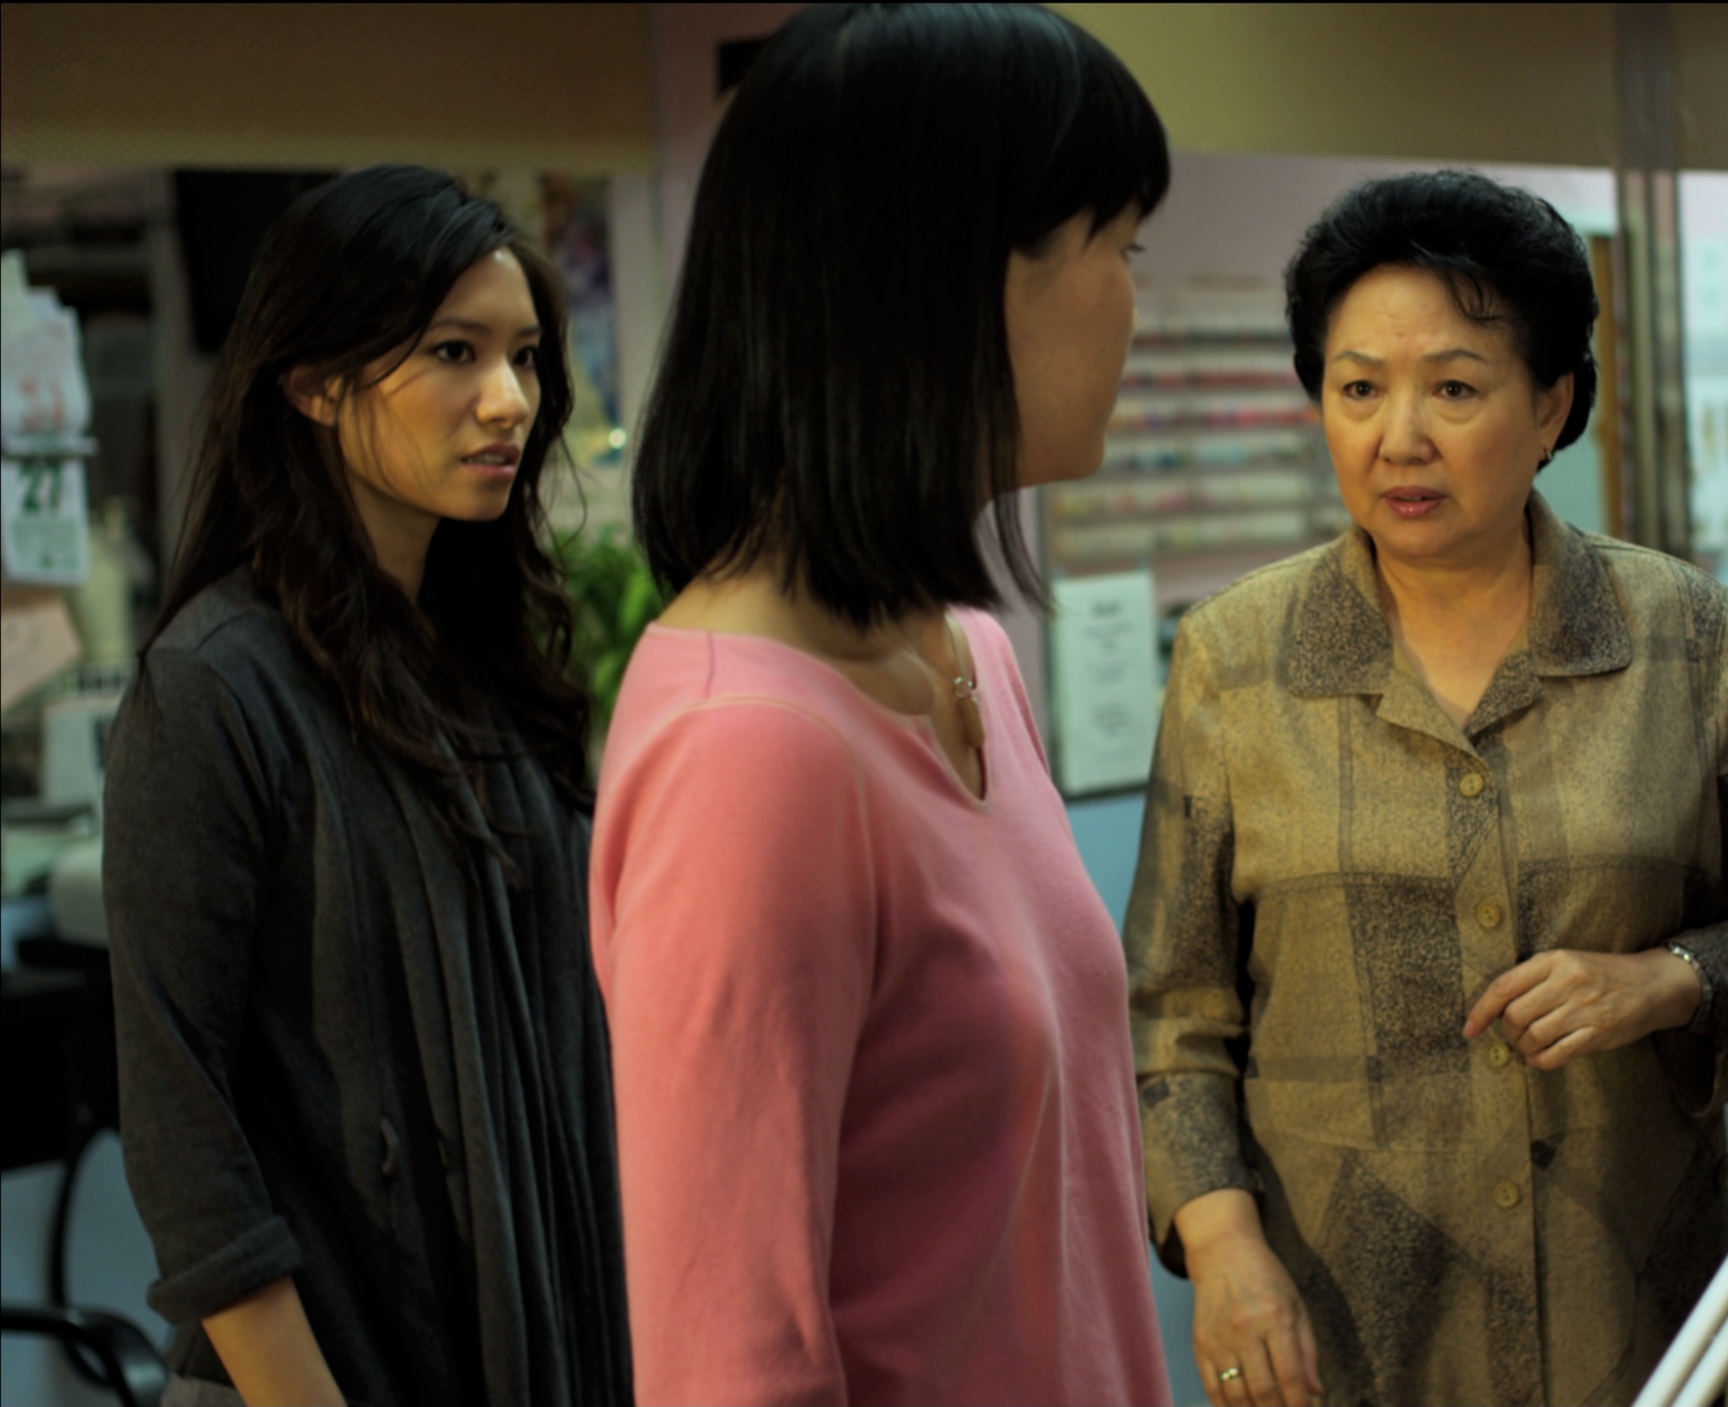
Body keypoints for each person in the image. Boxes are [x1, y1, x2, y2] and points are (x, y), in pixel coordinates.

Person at [1125, 170, 1728, 1407]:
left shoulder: (1675, 633)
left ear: (1551, 403)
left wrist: (1666, 981)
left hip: (1623, 1316)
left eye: (1454, 389)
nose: (1398, 437)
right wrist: (1223, 1246)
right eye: (1358, 388)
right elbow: (1171, 1015)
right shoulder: (1235, 660)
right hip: (1345, 1328)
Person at [589, 6, 1173, 1404]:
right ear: (960, 277)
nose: (1132, 302)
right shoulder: (751, 758)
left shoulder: (968, 651)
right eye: (1118, 247)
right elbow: (733, 1364)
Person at [104, 165, 630, 1407]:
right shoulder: (215, 687)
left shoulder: (491, 666)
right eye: (454, 352)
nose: (508, 399)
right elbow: (185, 1137)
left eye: (525, 357)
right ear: (315, 384)